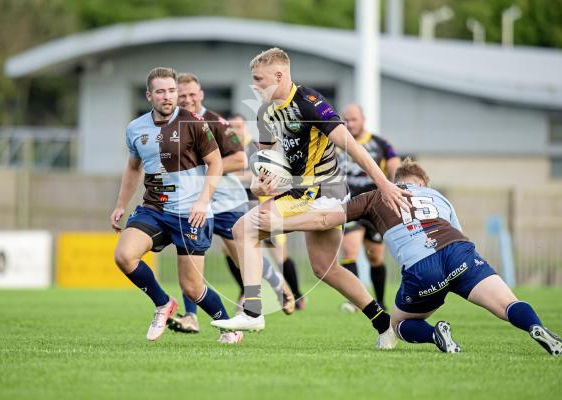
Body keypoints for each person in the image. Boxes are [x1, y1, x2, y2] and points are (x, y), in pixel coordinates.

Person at [254, 159, 562, 355]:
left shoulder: (375, 195)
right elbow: (459, 232)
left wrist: (281, 223)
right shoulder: (438, 196)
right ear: (423, 185)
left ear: (394, 178)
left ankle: (435, 335)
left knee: (398, 325)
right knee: (507, 303)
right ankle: (535, 326)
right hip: (459, 253)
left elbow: (325, 221)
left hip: (421, 268)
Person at [211, 47, 410, 349]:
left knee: (243, 228)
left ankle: (252, 310)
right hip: (299, 192)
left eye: (259, 79)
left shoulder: (310, 103)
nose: (255, 86)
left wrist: (384, 185)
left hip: (324, 192)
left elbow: (353, 148)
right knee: (325, 268)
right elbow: (269, 160)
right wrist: (261, 183)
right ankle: (384, 325)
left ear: (279, 75)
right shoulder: (266, 112)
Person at [109, 67, 243, 344]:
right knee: (124, 255)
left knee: (193, 288)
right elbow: (133, 168)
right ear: (149, 96)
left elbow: (217, 162)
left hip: (190, 214)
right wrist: (121, 204)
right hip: (154, 209)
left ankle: (229, 327)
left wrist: (203, 201)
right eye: (161, 91)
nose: (168, 97)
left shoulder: (194, 122)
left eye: (171, 91)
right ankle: (162, 304)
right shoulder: (135, 128)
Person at [168, 73, 294, 334]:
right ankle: (190, 316)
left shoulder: (216, 122)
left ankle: (277, 282)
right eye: (183, 96)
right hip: (191, 203)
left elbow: (238, 159)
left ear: (201, 94)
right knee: (190, 256)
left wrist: (204, 169)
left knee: (240, 255)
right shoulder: (171, 126)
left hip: (226, 202)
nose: (188, 99)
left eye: (192, 94)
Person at [229, 113, 306, 311]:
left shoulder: (254, 147)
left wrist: (233, 177)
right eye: (231, 128)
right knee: (232, 252)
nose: (234, 131)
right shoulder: (228, 149)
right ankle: (244, 292)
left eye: (238, 127)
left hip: (263, 205)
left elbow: (262, 175)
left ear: (245, 128)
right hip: (237, 207)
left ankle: (297, 295)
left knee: (279, 255)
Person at [338, 104, 401, 312]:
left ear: (363, 119)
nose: (349, 123)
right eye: (345, 119)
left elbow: (394, 164)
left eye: (353, 119)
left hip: (374, 205)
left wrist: (393, 186)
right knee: (349, 249)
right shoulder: (336, 143)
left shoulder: (379, 143)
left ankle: (380, 301)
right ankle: (355, 300)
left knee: (375, 256)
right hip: (349, 203)